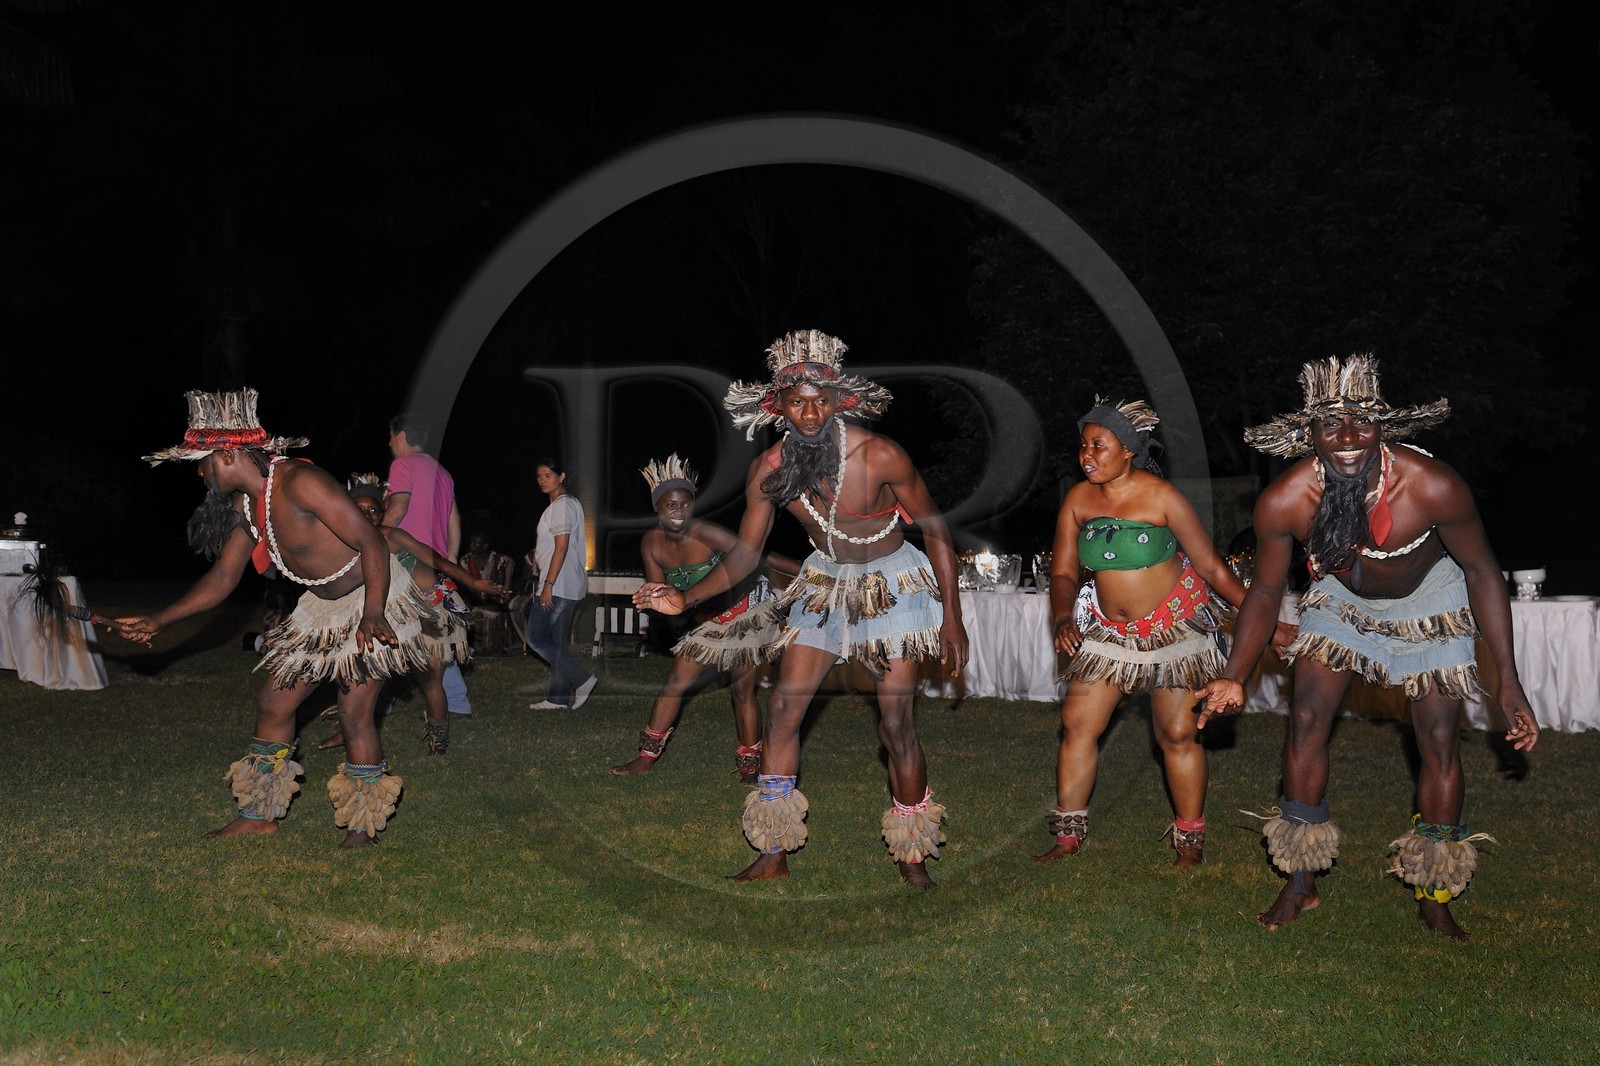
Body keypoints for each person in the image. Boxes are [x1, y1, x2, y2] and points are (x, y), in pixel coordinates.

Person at [1195, 355, 1538, 939]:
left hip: (1432, 596)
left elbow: (1482, 570)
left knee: (1436, 737)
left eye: (1361, 422)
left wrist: (1507, 678)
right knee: (1305, 718)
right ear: (1311, 435)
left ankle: (1433, 890)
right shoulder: (1286, 500)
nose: (1348, 438)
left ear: (1383, 427)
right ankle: (1300, 882)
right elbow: (1267, 590)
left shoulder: (1432, 486)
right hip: (1339, 596)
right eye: (1331, 425)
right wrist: (1234, 673)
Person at [634, 330, 968, 888]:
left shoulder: (879, 455)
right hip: (823, 584)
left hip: (895, 585)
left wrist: (952, 618)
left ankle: (912, 854)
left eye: (821, 400)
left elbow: (935, 530)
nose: (809, 413)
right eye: (797, 401)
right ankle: (773, 850)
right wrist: (685, 597)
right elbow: (744, 553)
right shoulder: (769, 469)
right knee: (783, 712)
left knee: (895, 725)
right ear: (778, 407)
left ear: (840, 400)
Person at [119, 389, 431, 848]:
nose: (201, 474)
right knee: (274, 704)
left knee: (353, 713)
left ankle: (362, 827)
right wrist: (159, 619)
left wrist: (373, 613)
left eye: (202, 463)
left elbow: (372, 541)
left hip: (373, 595)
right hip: (318, 611)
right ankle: (259, 813)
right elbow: (223, 578)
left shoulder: (299, 484)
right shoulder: (248, 507)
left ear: (226, 455)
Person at [1038, 397, 1247, 867]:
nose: (1086, 455)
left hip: (1175, 629)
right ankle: (1067, 835)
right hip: (1109, 633)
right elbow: (1064, 572)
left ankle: (1190, 843)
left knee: (1176, 732)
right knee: (1077, 725)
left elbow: (1212, 566)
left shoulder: (1162, 497)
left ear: (1128, 449)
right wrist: (1062, 616)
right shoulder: (1078, 500)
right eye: (1083, 446)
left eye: (1099, 445)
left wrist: (1263, 619)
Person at [611, 454, 798, 782]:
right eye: (670, 505)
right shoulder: (651, 543)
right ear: (657, 508)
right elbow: (662, 591)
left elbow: (755, 555)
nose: (679, 513)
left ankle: (750, 765)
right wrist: (655, 600)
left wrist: (810, 571)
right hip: (706, 620)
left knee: (742, 690)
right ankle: (646, 758)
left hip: (744, 610)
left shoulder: (705, 532)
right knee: (674, 683)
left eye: (685, 505)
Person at [318, 476, 507, 755]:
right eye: (359, 508)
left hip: (431, 611)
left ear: (382, 514)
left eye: (373, 510)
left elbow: (436, 560)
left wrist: (474, 583)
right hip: (395, 613)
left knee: (429, 679)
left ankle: (439, 741)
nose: (367, 515)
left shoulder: (390, 536)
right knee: (360, 669)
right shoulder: (344, 545)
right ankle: (349, 731)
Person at [385, 413, 471, 719]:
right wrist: (451, 561)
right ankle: (458, 701)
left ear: (404, 437)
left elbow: (397, 509)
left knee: (389, 631)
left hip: (404, 561)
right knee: (433, 635)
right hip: (433, 565)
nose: (390, 442)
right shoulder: (443, 473)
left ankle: (378, 703)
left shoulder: (402, 465)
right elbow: (454, 520)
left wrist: (375, 542)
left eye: (392, 435)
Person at [526, 458, 597, 709]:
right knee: (556, 643)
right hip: (567, 584)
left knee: (535, 638)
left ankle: (582, 679)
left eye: (548, 475)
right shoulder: (569, 504)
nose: (543, 480)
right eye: (539, 476)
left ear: (562, 476)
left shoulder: (562, 506)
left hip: (559, 585)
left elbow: (562, 547)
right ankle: (557, 698)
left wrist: (548, 584)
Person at [460, 531, 515, 655]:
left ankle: (495, 649)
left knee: (492, 612)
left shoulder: (497, 559)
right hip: (473, 600)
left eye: (476, 543)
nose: (472, 545)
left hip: (494, 600)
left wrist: (507, 587)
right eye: (471, 542)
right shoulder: (465, 561)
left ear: (484, 546)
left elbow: (510, 562)